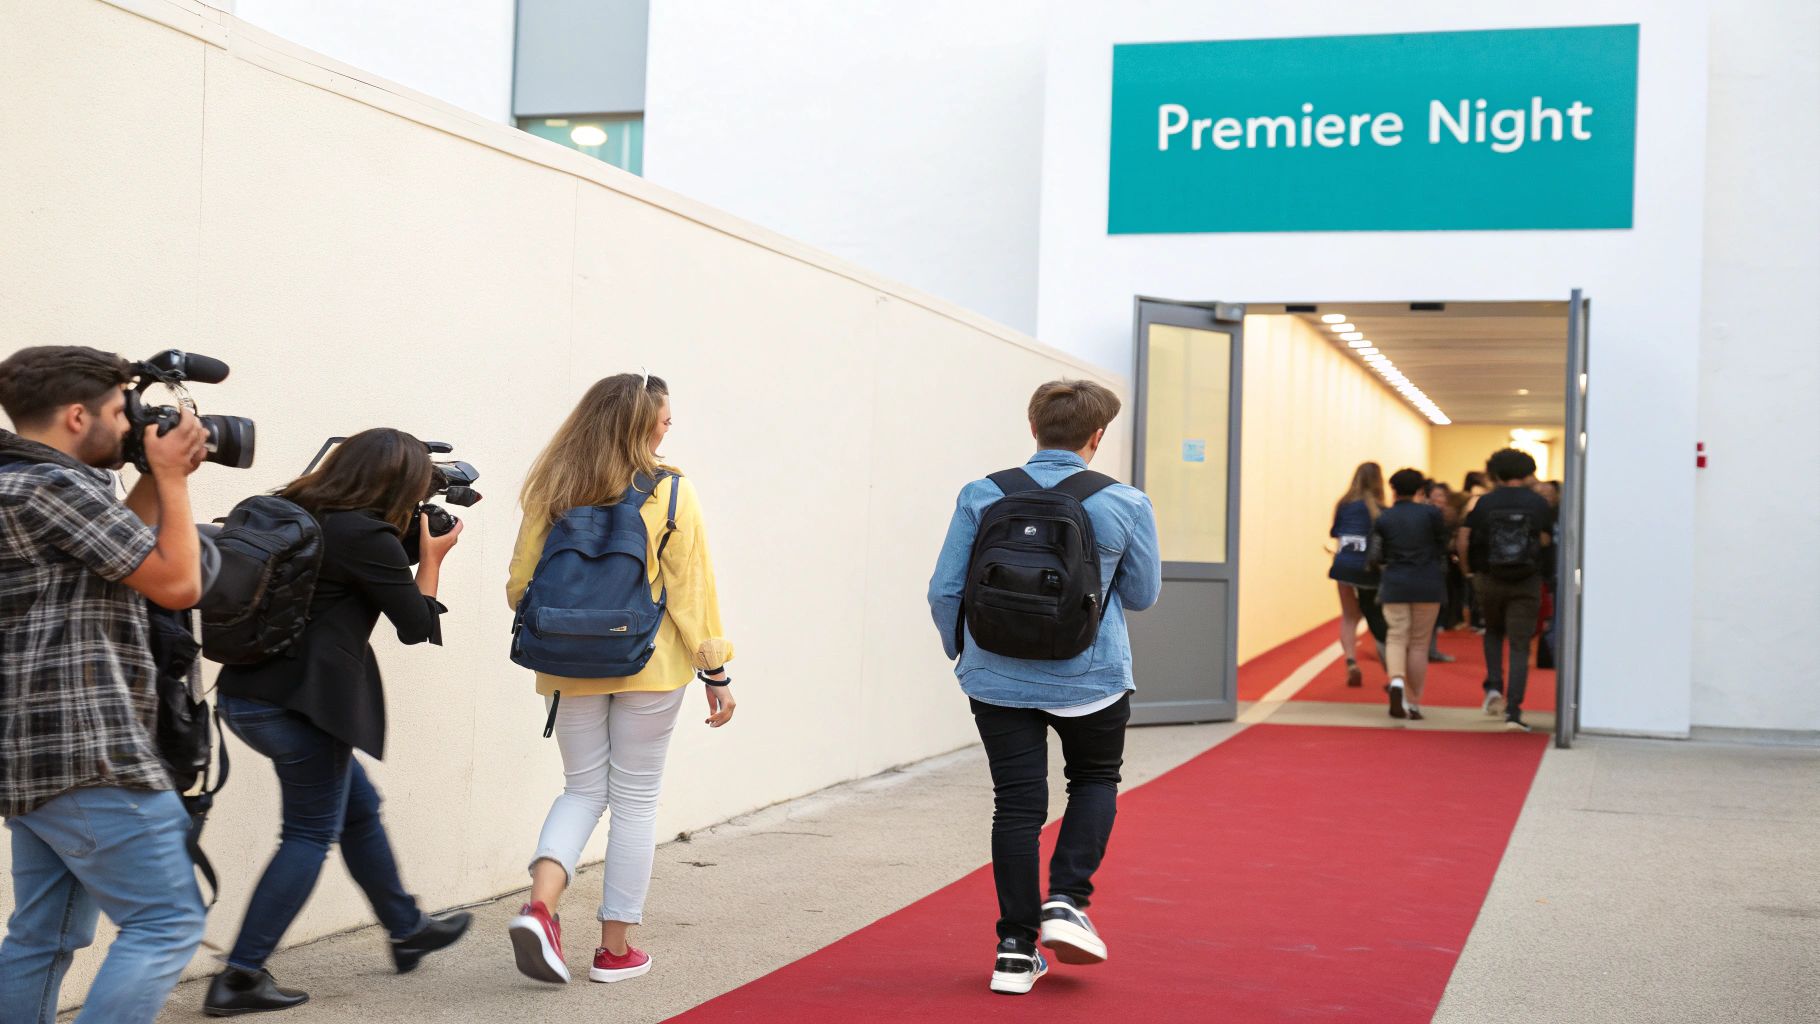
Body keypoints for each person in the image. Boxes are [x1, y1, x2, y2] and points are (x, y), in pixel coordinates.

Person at [204, 429, 473, 1015]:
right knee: (307, 835)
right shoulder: (366, 535)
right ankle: (240, 977)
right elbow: (415, 621)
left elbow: (355, 567)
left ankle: (406, 929)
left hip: (247, 695)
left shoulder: (298, 509)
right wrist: (432, 556)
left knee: (357, 807)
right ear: (398, 482)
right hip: (303, 708)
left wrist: (407, 539)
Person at [927, 379, 1161, 995]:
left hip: (996, 677)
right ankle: (1067, 901)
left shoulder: (983, 493)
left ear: (1033, 427)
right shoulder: (1125, 503)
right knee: (1092, 780)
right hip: (1094, 677)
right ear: (1097, 436)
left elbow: (944, 590)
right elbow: (1140, 595)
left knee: (1018, 806)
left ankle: (1013, 950)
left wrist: (967, 655)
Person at [0, 346, 210, 1024]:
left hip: (35, 751)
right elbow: (177, 581)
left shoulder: (20, 483)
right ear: (75, 414)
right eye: (123, 412)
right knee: (167, 923)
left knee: (43, 935)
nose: (131, 425)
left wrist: (152, 472)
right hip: (89, 747)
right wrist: (175, 479)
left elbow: (130, 540)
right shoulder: (53, 490)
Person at [506, 373, 735, 986]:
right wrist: (715, 669)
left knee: (581, 790)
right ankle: (614, 952)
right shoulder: (672, 491)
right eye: (663, 417)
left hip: (567, 662)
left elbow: (518, 588)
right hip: (650, 662)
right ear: (639, 424)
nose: (669, 426)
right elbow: (692, 592)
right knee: (634, 801)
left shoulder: (554, 484)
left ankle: (540, 909)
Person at [1459, 448, 1556, 732]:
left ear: (1497, 473)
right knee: (1520, 643)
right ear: (1527, 472)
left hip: (1489, 578)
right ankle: (1514, 710)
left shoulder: (1485, 503)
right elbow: (1547, 539)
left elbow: (1464, 539)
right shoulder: (1538, 503)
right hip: (1526, 580)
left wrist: (1469, 572)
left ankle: (1493, 689)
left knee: (1493, 631)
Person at [1371, 469, 1450, 721]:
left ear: (1393, 490)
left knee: (1396, 637)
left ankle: (1396, 682)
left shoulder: (1385, 518)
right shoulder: (1431, 514)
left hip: (1395, 583)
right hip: (1427, 582)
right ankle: (1414, 703)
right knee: (1418, 643)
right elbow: (1442, 546)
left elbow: (1376, 556)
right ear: (1420, 490)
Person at [1329, 462, 1389, 686]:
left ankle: (1351, 662)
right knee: (1376, 616)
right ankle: (1390, 669)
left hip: (1343, 564)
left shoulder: (1344, 505)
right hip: (1368, 569)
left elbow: (1335, 532)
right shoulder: (1382, 510)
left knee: (1348, 616)